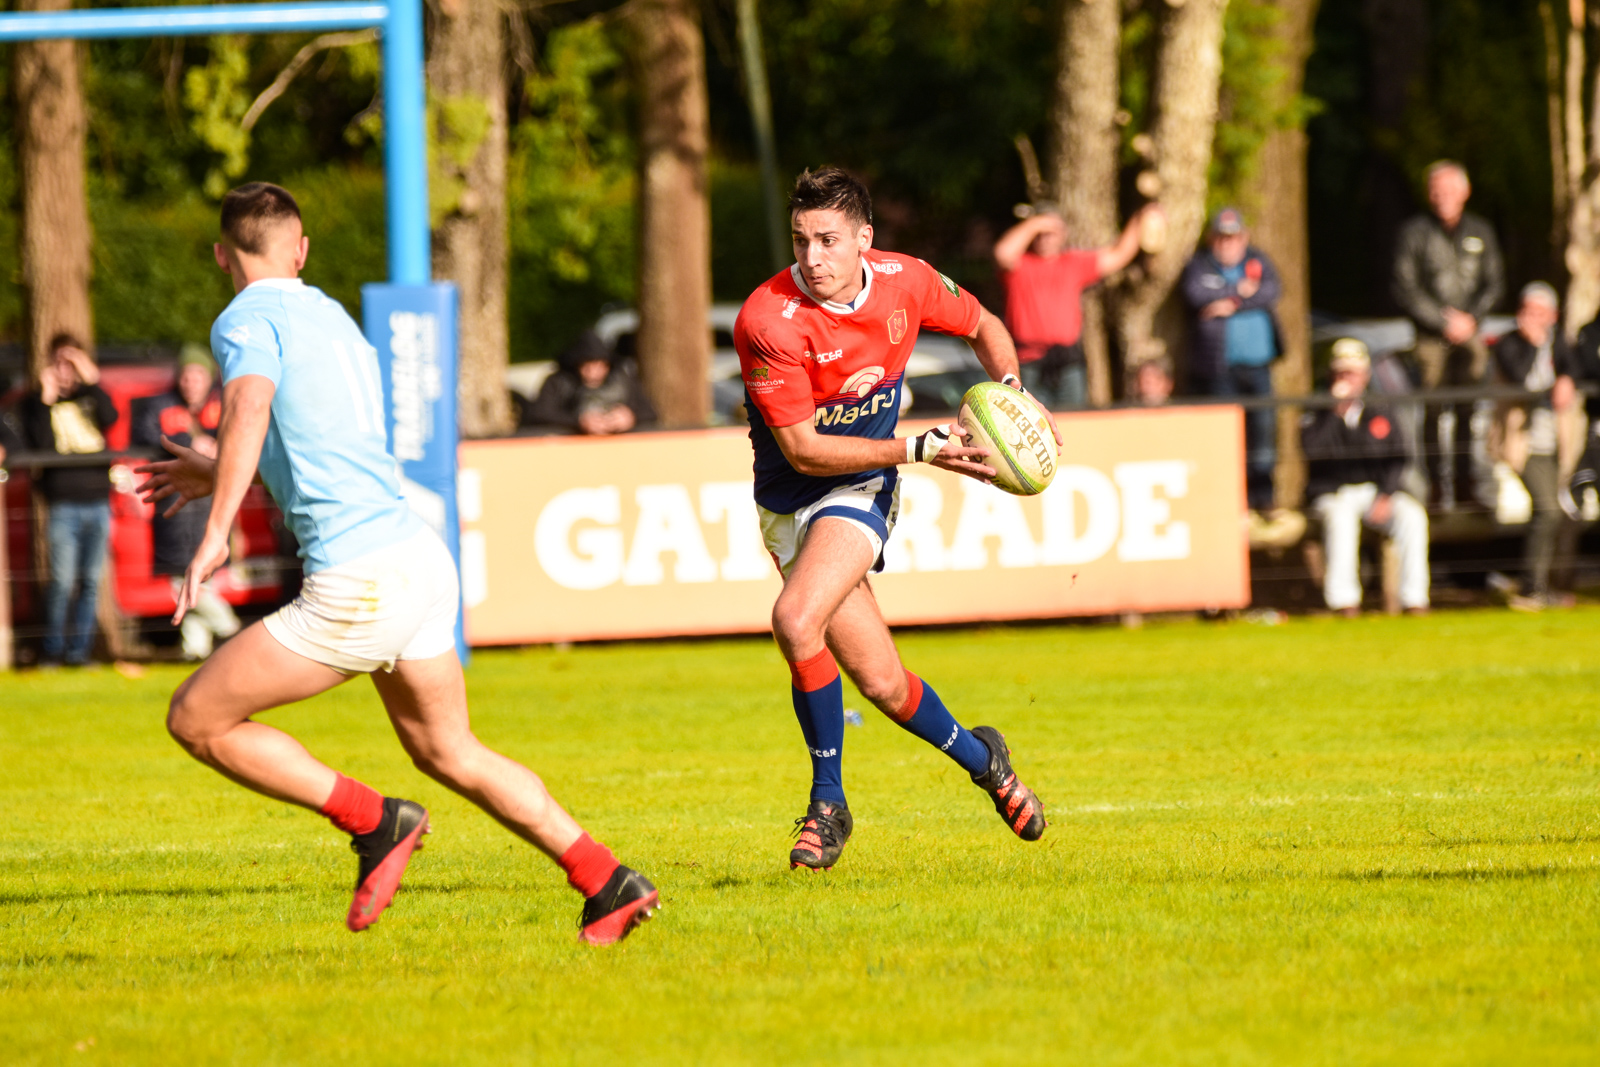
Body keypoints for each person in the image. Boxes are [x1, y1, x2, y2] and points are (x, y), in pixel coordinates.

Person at [135, 183, 657, 943]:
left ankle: (375, 820)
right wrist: (219, 474)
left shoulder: (245, 317)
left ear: (222, 255)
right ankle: (607, 879)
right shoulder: (330, 316)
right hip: (415, 557)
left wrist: (216, 531)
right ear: (301, 250)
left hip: (359, 577)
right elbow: (318, 449)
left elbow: (248, 408)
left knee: (196, 717)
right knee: (449, 750)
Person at [735, 167, 1053, 871]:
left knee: (795, 619)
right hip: (789, 498)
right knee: (881, 683)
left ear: (864, 240)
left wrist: (1012, 393)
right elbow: (803, 449)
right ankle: (989, 763)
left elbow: (984, 324)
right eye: (801, 240)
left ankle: (827, 804)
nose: (812, 256)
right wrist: (918, 447)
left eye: (828, 240)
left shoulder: (907, 280)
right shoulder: (767, 319)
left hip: (860, 486)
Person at [1392, 160, 1505, 508]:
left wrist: (1471, 319)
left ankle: (1466, 483)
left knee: (1468, 410)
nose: (1443, 197)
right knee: (1433, 409)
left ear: (1465, 192)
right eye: (1436, 191)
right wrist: (1443, 321)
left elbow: (1494, 283)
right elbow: (1405, 286)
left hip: (1470, 333)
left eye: (1450, 190)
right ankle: (1435, 488)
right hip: (1431, 335)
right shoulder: (1414, 232)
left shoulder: (1481, 231)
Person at [1301, 338, 1430, 616]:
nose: (1347, 379)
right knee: (1340, 520)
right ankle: (1344, 601)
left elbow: (1399, 457)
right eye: (1342, 372)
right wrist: (1335, 413)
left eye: (1353, 373)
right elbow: (1312, 451)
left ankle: (1415, 599)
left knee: (1413, 516)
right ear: (1331, 375)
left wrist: (1387, 494)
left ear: (1365, 376)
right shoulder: (1316, 410)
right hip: (1333, 492)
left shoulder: (1381, 408)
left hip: (1376, 491)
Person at [992, 200, 1159, 410]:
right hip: (1027, 362)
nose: (1045, 237)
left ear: (1063, 233)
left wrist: (1138, 218)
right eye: (1040, 232)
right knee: (1028, 421)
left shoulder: (1073, 263)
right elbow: (1002, 253)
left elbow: (1119, 254)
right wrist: (1036, 223)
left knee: (1073, 420)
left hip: (1068, 363)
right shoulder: (1018, 264)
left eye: (1051, 232)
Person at [130, 343, 240, 658]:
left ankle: (196, 649)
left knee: (203, 577)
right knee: (181, 577)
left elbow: (242, 436)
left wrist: (218, 446)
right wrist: (190, 442)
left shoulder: (224, 405)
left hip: (211, 502)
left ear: (209, 378)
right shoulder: (159, 405)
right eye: (186, 376)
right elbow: (144, 435)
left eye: (197, 376)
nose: (190, 383)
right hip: (173, 503)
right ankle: (229, 629)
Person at [15, 335, 118, 666]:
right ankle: (52, 651)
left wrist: (92, 381)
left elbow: (111, 418)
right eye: (59, 362)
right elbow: (42, 445)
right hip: (62, 504)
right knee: (60, 582)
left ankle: (79, 653)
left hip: (97, 501)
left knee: (90, 582)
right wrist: (45, 400)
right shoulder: (35, 403)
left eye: (71, 362)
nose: (64, 369)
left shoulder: (92, 396)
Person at [1180, 207, 1285, 513]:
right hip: (1220, 369)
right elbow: (1195, 294)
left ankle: (1263, 496)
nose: (1228, 243)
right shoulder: (1200, 265)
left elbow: (1271, 290)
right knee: (1226, 435)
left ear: (1244, 237)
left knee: (1263, 431)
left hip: (1259, 366)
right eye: (1222, 237)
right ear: (1212, 239)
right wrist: (1238, 289)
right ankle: (1230, 497)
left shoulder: (1257, 261)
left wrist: (1230, 302)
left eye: (1233, 237)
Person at [1491, 282, 1580, 610]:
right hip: (1523, 444)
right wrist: (1534, 344)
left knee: (1557, 514)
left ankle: (1541, 585)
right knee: (1547, 510)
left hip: (1557, 443)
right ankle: (1531, 589)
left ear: (1553, 316)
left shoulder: (1559, 342)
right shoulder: (1509, 343)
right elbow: (1520, 378)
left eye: (1540, 313)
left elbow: (1575, 367)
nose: (1533, 319)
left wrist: (1567, 378)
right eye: (1527, 311)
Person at [524, 329, 656, 435]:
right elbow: (538, 414)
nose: (593, 372)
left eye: (600, 366)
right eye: (587, 365)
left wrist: (631, 417)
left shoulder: (623, 380)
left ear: (608, 366)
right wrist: (578, 422)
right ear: (576, 365)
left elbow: (650, 412)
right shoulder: (558, 382)